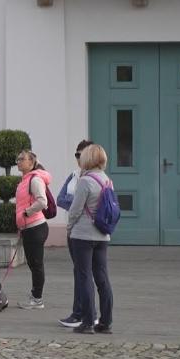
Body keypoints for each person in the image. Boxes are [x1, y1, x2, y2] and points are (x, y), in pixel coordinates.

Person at [67, 144, 114, 334]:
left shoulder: (85, 181)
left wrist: (69, 228)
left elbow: (76, 210)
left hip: (83, 234)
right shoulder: (107, 180)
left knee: (84, 276)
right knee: (102, 277)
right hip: (102, 234)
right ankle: (106, 321)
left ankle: (87, 322)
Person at [56, 139, 95, 328]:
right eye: (76, 155)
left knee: (87, 273)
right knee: (80, 272)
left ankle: (84, 313)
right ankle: (80, 312)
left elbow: (89, 204)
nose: (79, 158)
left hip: (86, 231)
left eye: (82, 155)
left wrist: (77, 204)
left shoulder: (94, 178)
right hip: (74, 229)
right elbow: (60, 199)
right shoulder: (74, 175)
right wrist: (76, 202)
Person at [14, 149, 52, 309]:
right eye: (18, 158)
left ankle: (37, 299)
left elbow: (43, 202)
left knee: (36, 264)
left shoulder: (35, 180)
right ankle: (35, 295)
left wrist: (27, 212)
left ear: (31, 163)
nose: (18, 161)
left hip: (36, 227)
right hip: (28, 227)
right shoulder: (25, 180)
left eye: (22, 159)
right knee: (33, 264)